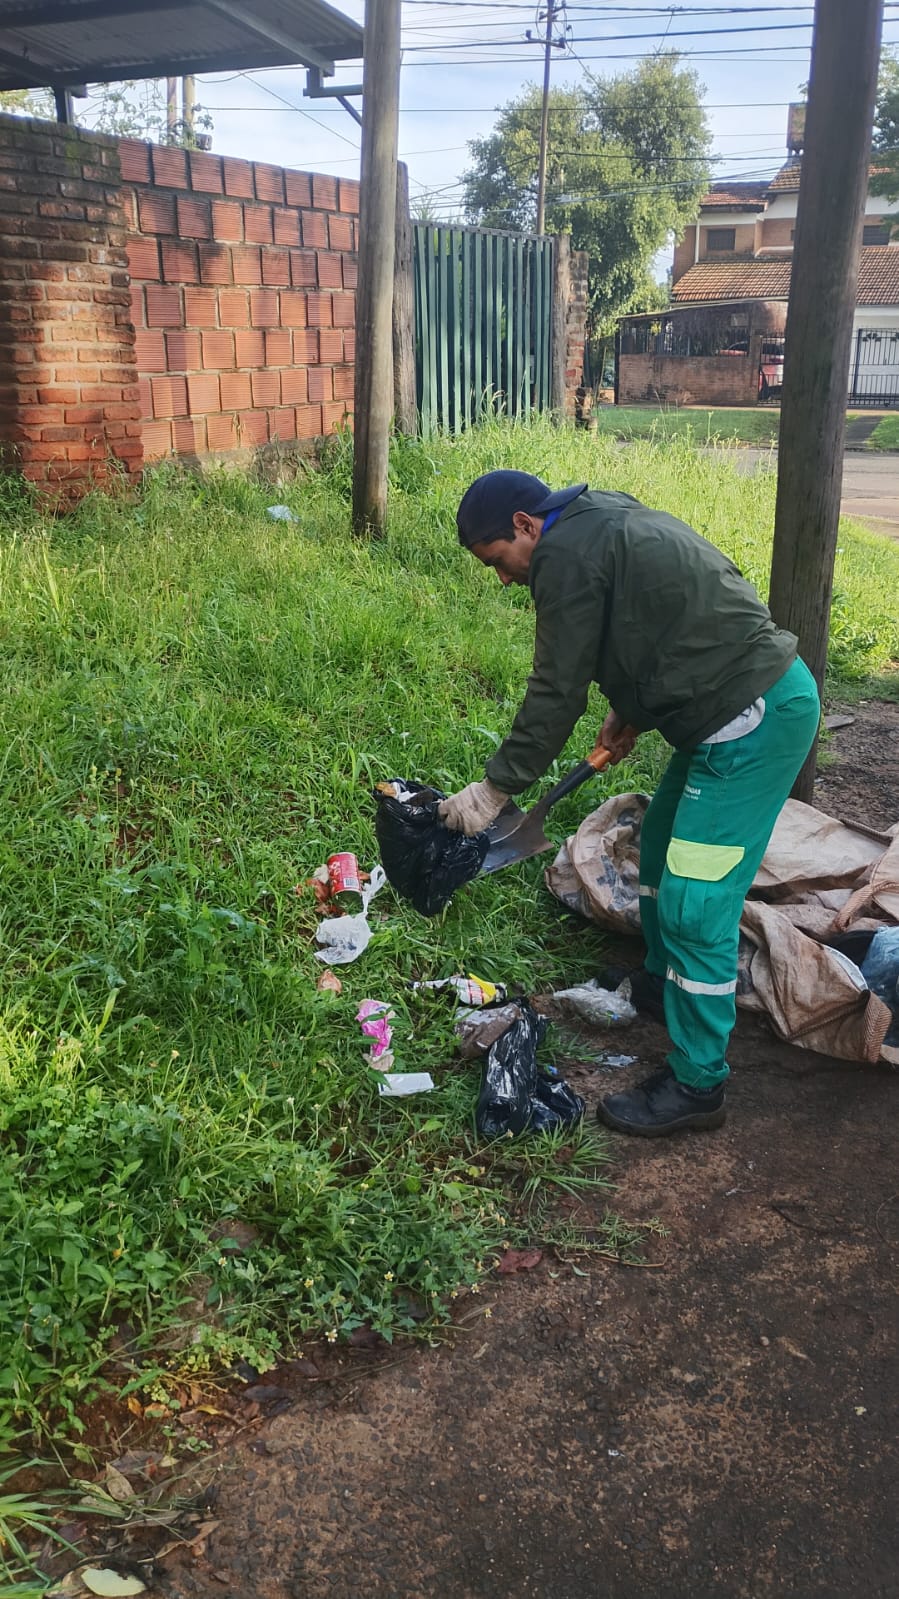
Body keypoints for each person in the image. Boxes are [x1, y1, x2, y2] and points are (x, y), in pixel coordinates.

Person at [439, 470, 820, 1138]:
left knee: (695, 903)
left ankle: (699, 1083)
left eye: (498, 559)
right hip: (720, 711)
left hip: (752, 720)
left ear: (526, 525)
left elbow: (555, 689)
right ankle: (661, 983)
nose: (502, 578)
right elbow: (655, 620)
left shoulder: (562, 556)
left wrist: (494, 789)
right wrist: (631, 710)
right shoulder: (593, 521)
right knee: (657, 850)